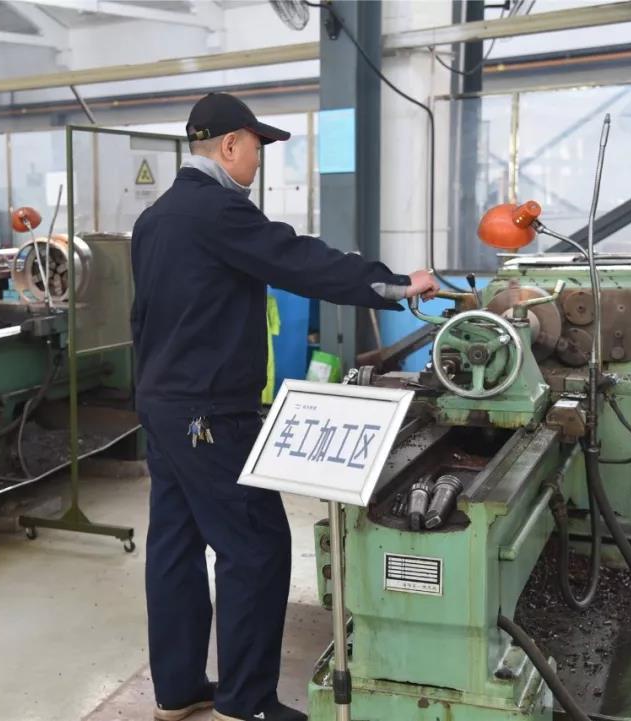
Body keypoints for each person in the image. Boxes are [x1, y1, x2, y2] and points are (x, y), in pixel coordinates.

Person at [131, 92, 438, 721]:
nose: (258, 160)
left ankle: (178, 688)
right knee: (256, 546)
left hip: (163, 404)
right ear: (229, 144)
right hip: (211, 413)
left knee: (175, 547)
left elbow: (147, 317)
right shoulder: (218, 210)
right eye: (256, 147)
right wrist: (395, 284)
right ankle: (245, 702)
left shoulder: (155, 217)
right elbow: (299, 260)